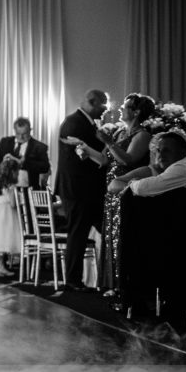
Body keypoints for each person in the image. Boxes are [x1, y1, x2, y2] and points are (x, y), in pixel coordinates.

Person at [109, 132, 186, 317]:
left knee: (149, 250)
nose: (161, 155)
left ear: (183, 152)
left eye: (167, 151)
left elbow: (143, 188)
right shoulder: (185, 168)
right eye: (158, 150)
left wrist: (131, 183)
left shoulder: (183, 168)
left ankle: (155, 307)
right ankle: (163, 308)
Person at [80, 93, 154, 295]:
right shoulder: (120, 132)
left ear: (136, 111)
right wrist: (86, 149)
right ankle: (112, 284)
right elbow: (104, 160)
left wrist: (109, 143)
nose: (121, 108)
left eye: (126, 105)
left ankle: (125, 285)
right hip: (110, 192)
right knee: (111, 236)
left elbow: (128, 160)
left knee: (124, 236)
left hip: (127, 192)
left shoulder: (143, 135)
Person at [55, 89, 109, 292]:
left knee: (107, 230)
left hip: (88, 192)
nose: (105, 110)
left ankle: (110, 278)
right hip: (78, 190)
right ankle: (72, 280)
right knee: (77, 234)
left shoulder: (85, 123)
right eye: (103, 105)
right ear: (91, 102)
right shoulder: (74, 123)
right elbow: (81, 157)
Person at [0, 117, 51, 189]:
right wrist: (4, 162)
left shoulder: (39, 147)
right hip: (6, 188)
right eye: (18, 133)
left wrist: (22, 163)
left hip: (29, 189)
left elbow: (45, 167)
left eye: (24, 134)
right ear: (14, 130)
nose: (21, 137)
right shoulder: (5, 142)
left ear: (30, 130)